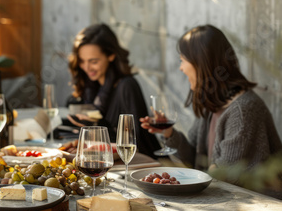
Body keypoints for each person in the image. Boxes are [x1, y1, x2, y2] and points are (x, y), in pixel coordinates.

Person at [141, 24, 282, 174]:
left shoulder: (243, 111)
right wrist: (169, 132)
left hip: (250, 197)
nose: (180, 68)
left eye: (182, 60)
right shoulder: (212, 103)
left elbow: (224, 176)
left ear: (201, 63)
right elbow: (194, 159)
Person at [66, 23, 161, 158]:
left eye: (93, 61)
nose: (86, 68)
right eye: (82, 61)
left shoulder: (126, 86)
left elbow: (135, 142)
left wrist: (97, 127)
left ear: (111, 55)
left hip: (140, 165)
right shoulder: (92, 86)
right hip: (107, 162)